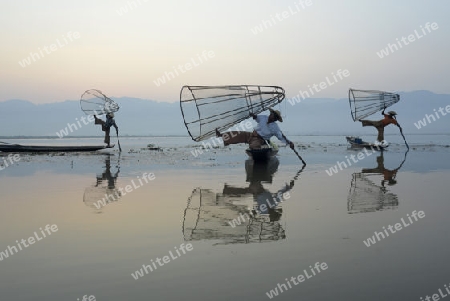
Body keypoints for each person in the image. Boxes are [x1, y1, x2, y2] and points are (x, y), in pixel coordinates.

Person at [215, 108, 295, 150]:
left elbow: (281, 136)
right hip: (251, 135)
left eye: (273, 115)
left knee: (254, 146)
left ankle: (257, 153)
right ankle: (220, 135)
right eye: (271, 114)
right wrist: (253, 115)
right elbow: (256, 117)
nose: (271, 115)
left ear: (275, 118)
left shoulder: (275, 128)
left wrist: (289, 143)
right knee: (237, 134)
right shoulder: (264, 117)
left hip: (260, 139)